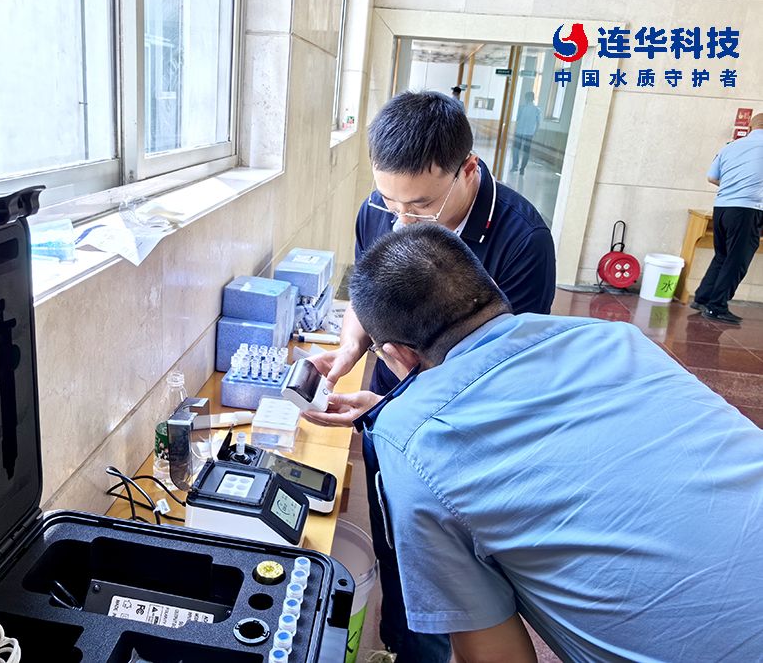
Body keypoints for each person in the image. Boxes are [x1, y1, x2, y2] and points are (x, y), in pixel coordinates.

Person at [316, 224, 763, 662]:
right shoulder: (618, 337)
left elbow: (495, 657)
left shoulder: (410, 443)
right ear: (490, 288)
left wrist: (408, 418)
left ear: (397, 353)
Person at [307, 91, 555, 663]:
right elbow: (366, 294)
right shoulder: (380, 208)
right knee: (394, 534)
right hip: (391, 395)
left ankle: (430, 650)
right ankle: (400, 640)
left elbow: (501, 372)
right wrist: (350, 349)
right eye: (388, 200)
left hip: (465, 425)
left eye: (419, 206)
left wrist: (399, 406)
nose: (399, 220)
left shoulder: (523, 239)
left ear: (467, 169)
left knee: (449, 566)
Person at [691, 113, 763, 324]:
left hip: (722, 208)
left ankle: (703, 298)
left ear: (750, 127)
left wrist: (734, 187)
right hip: (747, 210)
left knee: (722, 255)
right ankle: (716, 307)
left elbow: (712, 177)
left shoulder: (730, 146)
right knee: (737, 260)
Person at [510, 91, 541, 175]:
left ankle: (515, 166)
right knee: (525, 151)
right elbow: (538, 123)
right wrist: (535, 132)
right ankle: (522, 169)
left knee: (516, 149)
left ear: (526, 98)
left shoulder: (522, 108)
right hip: (529, 133)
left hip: (520, 131)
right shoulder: (537, 110)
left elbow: (517, 119)